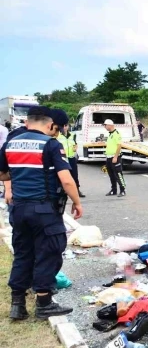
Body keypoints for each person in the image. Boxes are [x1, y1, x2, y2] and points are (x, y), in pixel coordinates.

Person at [0, 106, 83, 320]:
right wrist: (77, 202)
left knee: (23, 253)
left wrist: (20, 175)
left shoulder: (11, 143)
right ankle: (44, 303)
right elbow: (66, 179)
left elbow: (2, 174)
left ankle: (17, 304)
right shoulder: (50, 144)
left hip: (18, 209)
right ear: (49, 124)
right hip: (43, 210)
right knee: (49, 252)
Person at [52, 112, 85, 198]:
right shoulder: (57, 135)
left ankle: (77, 190)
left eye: (66, 126)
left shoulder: (72, 135)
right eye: (64, 126)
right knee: (63, 175)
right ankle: (63, 191)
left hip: (71, 158)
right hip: (62, 158)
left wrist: (75, 147)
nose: (65, 127)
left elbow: (75, 144)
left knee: (75, 175)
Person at [104, 119, 126, 197]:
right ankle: (114, 190)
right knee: (111, 175)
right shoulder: (110, 134)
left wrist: (115, 157)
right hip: (109, 157)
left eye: (105, 125)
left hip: (115, 157)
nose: (105, 127)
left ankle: (122, 190)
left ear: (110, 125)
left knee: (118, 174)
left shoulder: (116, 133)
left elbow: (119, 145)